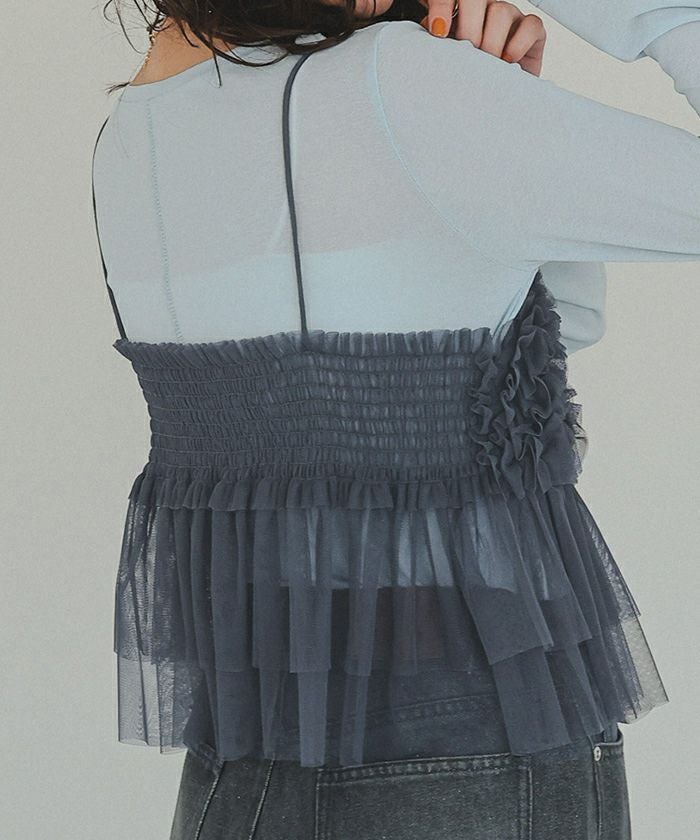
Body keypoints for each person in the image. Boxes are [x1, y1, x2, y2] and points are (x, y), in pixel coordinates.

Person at [91, 1, 699, 837]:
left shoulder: (131, 131)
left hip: (246, 753)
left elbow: (539, 322)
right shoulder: (400, 80)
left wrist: (513, 118)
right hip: (467, 725)